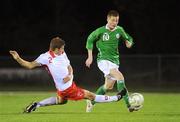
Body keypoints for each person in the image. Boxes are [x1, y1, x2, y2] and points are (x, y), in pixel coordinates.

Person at [9, 37, 126, 113]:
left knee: (61, 101)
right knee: (90, 96)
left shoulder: (62, 53)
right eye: (62, 48)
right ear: (56, 49)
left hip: (68, 85)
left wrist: (70, 75)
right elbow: (29, 65)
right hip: (68, 89)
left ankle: (37, 104)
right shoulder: (45, 58)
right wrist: (18, 58)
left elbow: (69, 66)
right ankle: (117, 97)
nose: (63, 50)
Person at [85, 10, 136, 112]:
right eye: (113, 20)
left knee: (108, 87)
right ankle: (129, 105)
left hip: (114, 61)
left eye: (117, 20)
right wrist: (90, 57)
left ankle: (91, 102)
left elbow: (128, 38)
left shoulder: (119, 30)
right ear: (107, 19)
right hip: (103, 61)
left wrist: (129, 42)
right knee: (120, 77)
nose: (115, 23)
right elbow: (89, 40)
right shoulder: (100, 31)